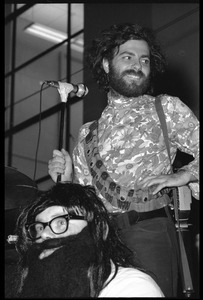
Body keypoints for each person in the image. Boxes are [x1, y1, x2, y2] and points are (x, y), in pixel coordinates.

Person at [48, 23, 199, 297]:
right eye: (127, 57)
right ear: (106, 65)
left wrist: (186, 174)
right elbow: (85, 204)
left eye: (144, 60)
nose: (137, 65)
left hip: (149, 229)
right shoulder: (87, 133)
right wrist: (68, 180)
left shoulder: (165, 108)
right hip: (101, 239)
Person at [9, 182, 164, 298]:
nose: (44, 235)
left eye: (61, 222)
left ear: (100, 229)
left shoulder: (132, 288)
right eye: (39, 228)